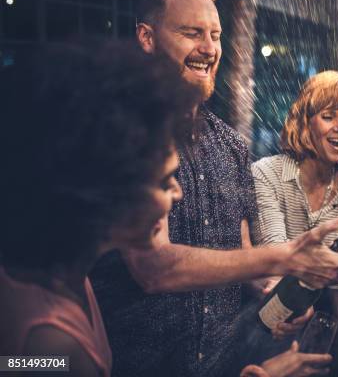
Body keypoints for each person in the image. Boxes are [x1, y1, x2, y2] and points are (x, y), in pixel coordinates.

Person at [90, 0, 338, 377]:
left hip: (224, 364)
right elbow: (154, 267)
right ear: (147, 38)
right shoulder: (122, 132)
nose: (209, 48)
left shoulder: (230, 145)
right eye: (191, 33)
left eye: (215, 35)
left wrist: (273, 294)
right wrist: (287, 255)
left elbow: (243, 254)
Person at [0, 41, 195, 377]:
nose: (177, 193)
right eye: (164, 182)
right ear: (105, 191)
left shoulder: (61, 271)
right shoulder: (51, 344)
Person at [251, 71, 338, 375]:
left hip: (318, 309)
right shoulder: (267, 174)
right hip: (263, 309)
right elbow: (274, 260)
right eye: (328, 116)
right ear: (306, 122)